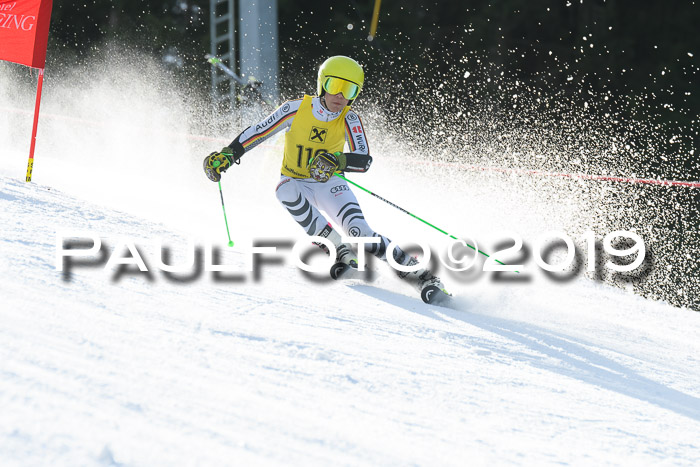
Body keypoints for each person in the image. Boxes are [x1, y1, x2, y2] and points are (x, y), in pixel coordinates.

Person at [204, 55, 446, 296]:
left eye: (349, 89)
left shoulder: (349, 118)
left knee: (361, 234)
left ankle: (422, 276)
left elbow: (364, 160)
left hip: (329, 184)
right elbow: (259, 131)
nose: (340, 96)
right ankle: (340, 251)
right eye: (334, 86)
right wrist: (228, 154)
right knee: (283, 189)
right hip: (296, 181)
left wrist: (337, 160)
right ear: (322, 85)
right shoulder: (295, 109)